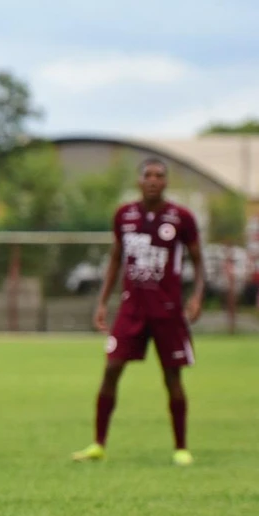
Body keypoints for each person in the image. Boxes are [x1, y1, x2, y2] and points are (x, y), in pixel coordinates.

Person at [72, 158, 205, 466]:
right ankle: (98, 444)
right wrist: (103, 301)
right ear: (139, 180)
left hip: (167, 310)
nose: (154, 180)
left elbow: (198, 261)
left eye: (159, 175)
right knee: (111, 369)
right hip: (132, 309)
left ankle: (181, 447)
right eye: (148, 175)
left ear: (166, 182)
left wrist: (197, 296)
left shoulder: (181, 218)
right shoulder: (124, 215)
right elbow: (116, 259)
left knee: (172, 377)